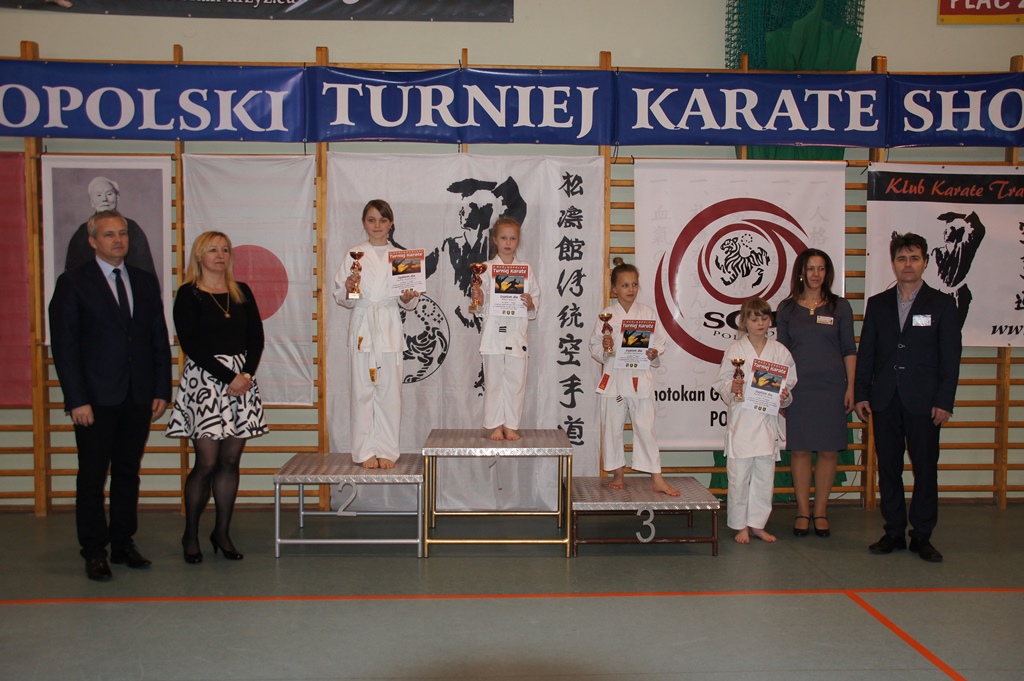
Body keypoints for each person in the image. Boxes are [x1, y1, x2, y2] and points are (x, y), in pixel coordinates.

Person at [48, 210, 172, 581]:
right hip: (94, 399)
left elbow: (157, 338)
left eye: (122, 233)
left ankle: (122, 543)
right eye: (109, 234)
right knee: (92, 476)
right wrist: (76, 399)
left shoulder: (144, 281)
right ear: (92, 241)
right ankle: (93, 551)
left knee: (127, 474)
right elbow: (65, 346)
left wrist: (161, 389)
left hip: (137, 395)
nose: (118, 240)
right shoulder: (74, 282)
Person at [855, 233, 962, 563]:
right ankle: (894, 531)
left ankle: (922, 535)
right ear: (893, 264)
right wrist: (861, 393)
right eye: (902, 259)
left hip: (925, 401)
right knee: (888, 468)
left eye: (914, 258)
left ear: (925, 262)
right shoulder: (878, 304)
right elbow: (867, 352)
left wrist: (944, 400)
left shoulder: (942, 304)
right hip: (885, 399)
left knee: (925, 469)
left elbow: (951, 357)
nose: (908, 264)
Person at [165, 231, 267, 564]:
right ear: (199, 256)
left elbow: (256, 338)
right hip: (207, 383)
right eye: (212, 250)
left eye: (224, 249)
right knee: (207, 463)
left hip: (241, 383)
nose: (220, 255)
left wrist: (245, 376)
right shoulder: (189, 294)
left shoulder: (242, 292)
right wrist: (229, 378)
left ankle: (221, 532)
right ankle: (191, 534)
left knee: (230, 461)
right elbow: (191, 345)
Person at [776, 249, 856, 538]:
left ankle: (820, 511)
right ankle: (802, 511)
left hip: (832, 388)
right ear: (801, 272)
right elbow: (780, 353)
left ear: (827, 273)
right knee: (799, 450)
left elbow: (849, 349)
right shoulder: (786, 308)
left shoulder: (840, 307)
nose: (815, 274)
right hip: (799, 389)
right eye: (810, 268)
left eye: (821, 269)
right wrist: (780, 391)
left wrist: (851, 386)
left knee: (828, 450)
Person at [335, 200, 420, 469]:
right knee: (362, 392)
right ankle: (364, 451)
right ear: (364, 223)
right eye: (371, 220)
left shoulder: (402, 256)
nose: (377, 225)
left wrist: (407, 297)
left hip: (389, 325)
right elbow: (344, 298)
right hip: (363, 325)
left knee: (389, 393)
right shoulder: (354, 255)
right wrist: (350, 287)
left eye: (383, 220)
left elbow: (410, 302)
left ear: (391, 223)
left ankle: (387, 450)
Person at [590, 263, 679, 496]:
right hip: (615, 378)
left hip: (640, 377)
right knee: (612, 427)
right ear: (614, 289)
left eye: (634, 284)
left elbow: (660, 341)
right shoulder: (606, 315)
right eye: (625, 285)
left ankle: (656, 477)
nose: (631, 289)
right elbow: (594, 346)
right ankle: (618, 473)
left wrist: (654, 352)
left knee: (646, 428)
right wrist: (605, 348)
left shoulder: (647, 313)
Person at [714, 297, 797, 544]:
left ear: (770, 320)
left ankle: (757, 524)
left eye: (764, 318)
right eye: (754, 318)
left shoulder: (780, 351)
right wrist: (732, 387)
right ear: (744, 322)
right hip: (742, 422)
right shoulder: (735, 350)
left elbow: (789, 385)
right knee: (739, 478)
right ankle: (740, 525)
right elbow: (722, 383)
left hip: (766, 424)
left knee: (764, 479)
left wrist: (784, 396)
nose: (760, 323)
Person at [470, 217, 539, 441]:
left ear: (518, 240)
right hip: (493, 333)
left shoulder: (525, 269)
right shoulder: (485, 269)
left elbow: (535, 298)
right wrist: (479, 298)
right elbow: (479, 306)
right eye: (503, 238)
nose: (508, 243)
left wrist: (531, 303)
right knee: (494, 382)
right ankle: (495, 425)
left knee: (515, 382)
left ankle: (510, 425)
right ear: (494, 240)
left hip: (516, 334)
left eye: (513, 238)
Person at [65, 176, 158, 278]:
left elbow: (145, 272)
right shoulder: (82, 233)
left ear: (117, 197)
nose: (104, 199)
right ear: (92, 201)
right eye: (99, 195)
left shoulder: (133, 229)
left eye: (109, 194)